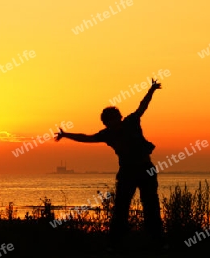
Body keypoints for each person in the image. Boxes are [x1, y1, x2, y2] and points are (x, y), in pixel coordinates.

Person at [55, 79, 163, 248]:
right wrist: (66, 135)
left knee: (151, 205)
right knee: (121, 207)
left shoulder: (131, 122)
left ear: (119, 118)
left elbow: (143, 106)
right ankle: (116, 242)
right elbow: (86, 137)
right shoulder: (107, 134)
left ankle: (157, 241)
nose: (113, 123)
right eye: (109, 121)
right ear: (105, 123)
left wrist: (152, 90)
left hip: (145, 170)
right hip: (127, 172)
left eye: (114, 119)